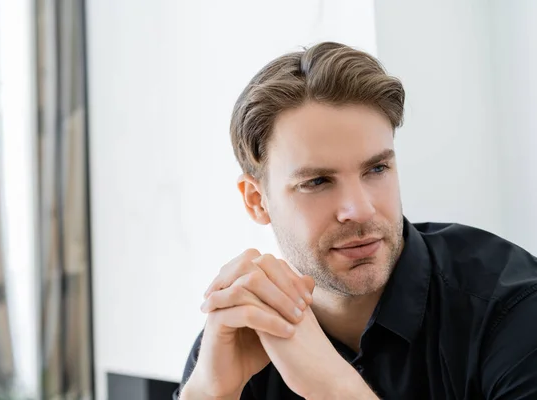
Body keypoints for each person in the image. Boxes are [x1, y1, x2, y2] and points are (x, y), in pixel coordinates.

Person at [173, 42, 537, 399]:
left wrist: (333, 389)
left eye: (377, 168)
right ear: (257, 201)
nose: (359, 209)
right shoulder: (242, 330)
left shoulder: (513, 308)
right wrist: (207, 393)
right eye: (317, 182)